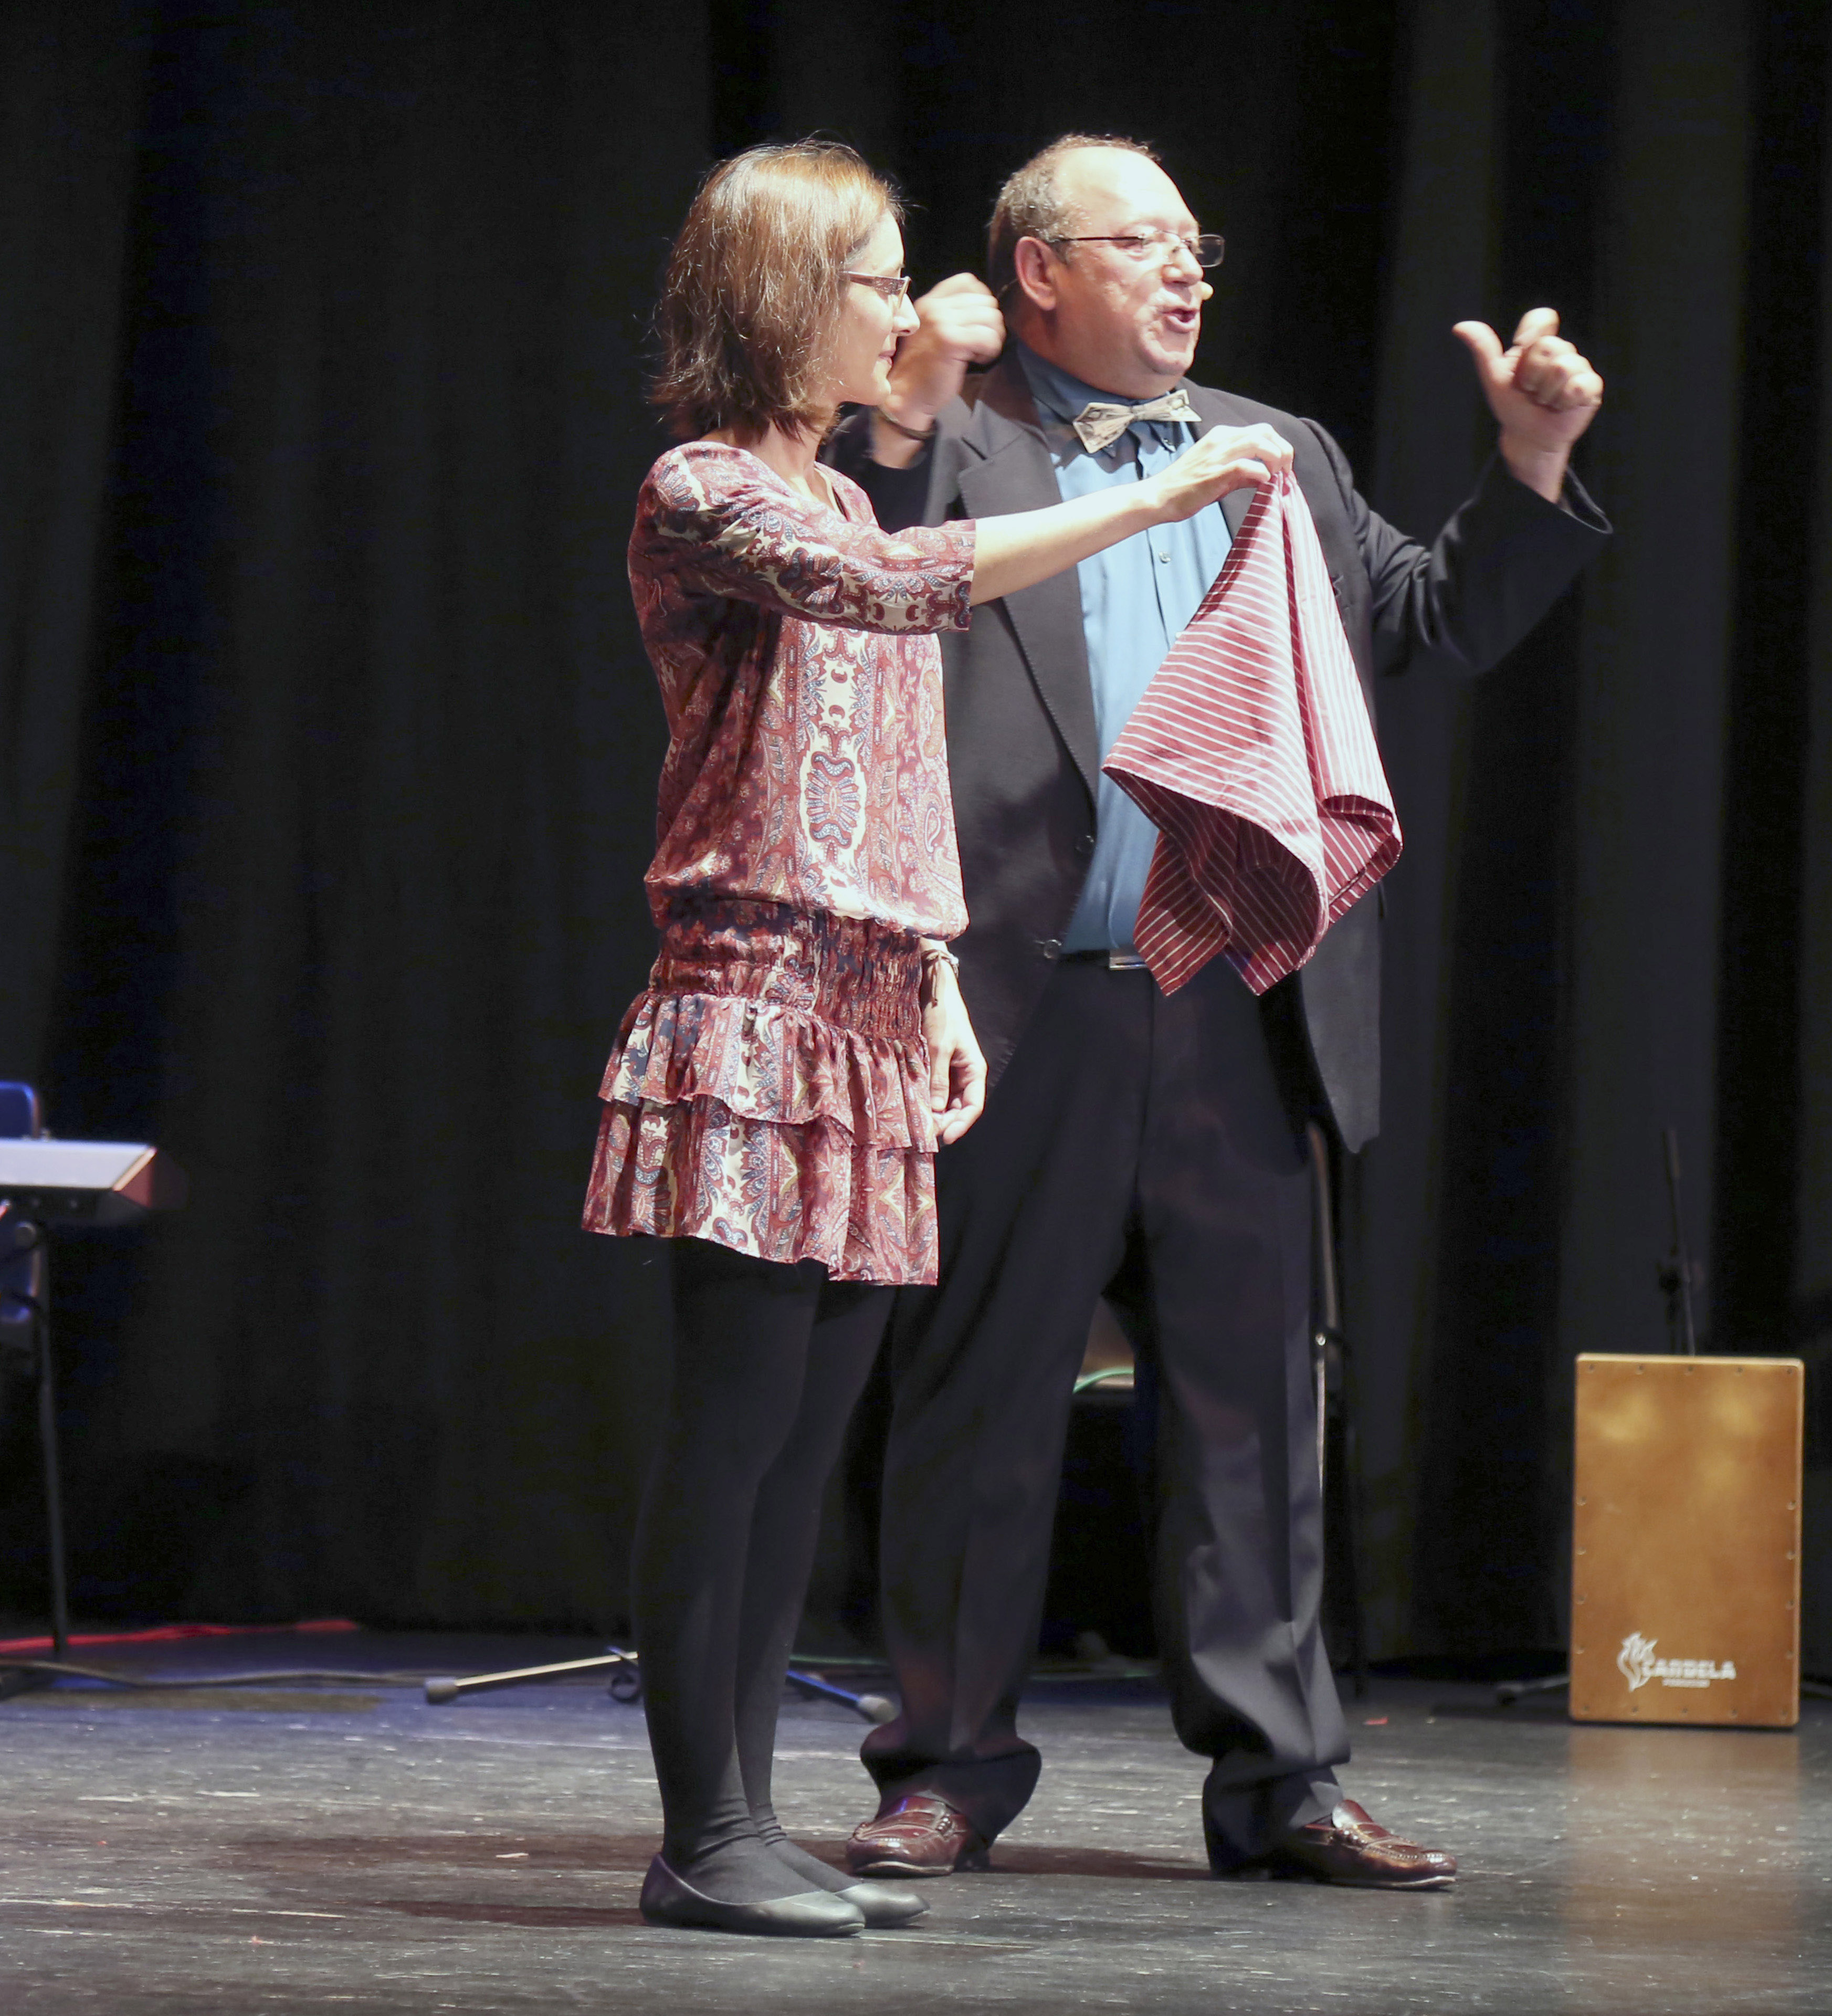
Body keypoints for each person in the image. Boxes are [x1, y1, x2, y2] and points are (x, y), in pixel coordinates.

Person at [824, 133, 1608, 1888]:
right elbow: (849, 590)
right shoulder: (946, 441)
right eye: (1144, 243)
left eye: (1199, 246)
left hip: (1242, 1003)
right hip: (1019, 1006)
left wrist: (1532, 465)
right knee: (977, 1403)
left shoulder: (1281, 454)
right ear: (1039, 271)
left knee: (1257, 1415)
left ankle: (1284, 1783)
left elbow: (1429, 619)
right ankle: (944, 1770)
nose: (1188, 272)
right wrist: (906, 402)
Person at [584, 138, 1293, 1939]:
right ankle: (699, 1834)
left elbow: (896, 768)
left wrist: (940, 978)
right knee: (736, 1434)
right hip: (755, 1005)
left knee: (807, 1453)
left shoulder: (839, 496)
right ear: (788, 299)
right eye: (881, 281)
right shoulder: (704, 493)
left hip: (875, 1013)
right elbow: (908, 594)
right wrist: (1150, 502)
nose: (909, 309)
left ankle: (746, 1822)